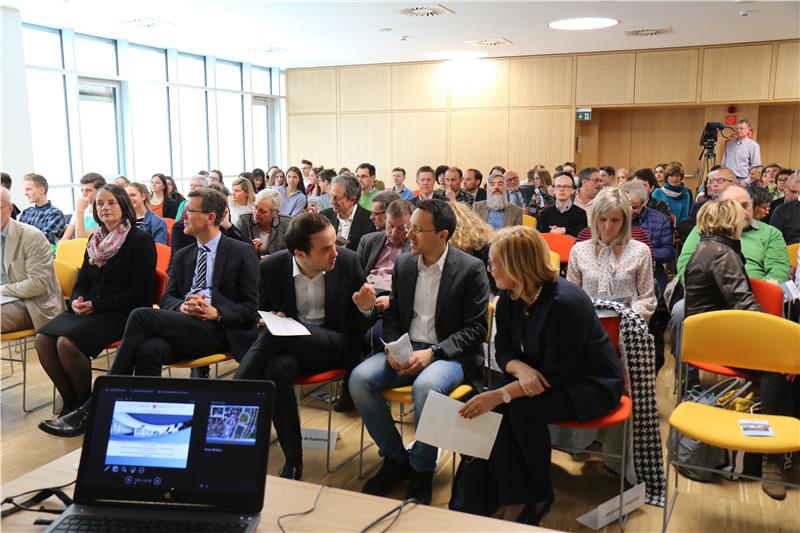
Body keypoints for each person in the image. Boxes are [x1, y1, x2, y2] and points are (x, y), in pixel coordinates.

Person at [459, 226, 623, 526]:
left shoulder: (565, 303)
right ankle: (514, 496)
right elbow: (504, 350)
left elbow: (554, 375)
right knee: (496, 409)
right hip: (538, 373)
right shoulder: (509, 296)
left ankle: (538, 494)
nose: (489, 269)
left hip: (588, 383)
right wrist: (520, 370)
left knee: (521, 410)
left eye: (495, 263)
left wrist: (501, 393)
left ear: (517, 265)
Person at [350, 199, 489, 505]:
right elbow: (394, 315)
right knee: (359, 379)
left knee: (426, 387)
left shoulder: (470, 268)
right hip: (408, 348)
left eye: (417, 229)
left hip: (449, 355)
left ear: (442, 235)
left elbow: (476, 329)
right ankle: (395, 458)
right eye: (409, 227)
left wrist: (434, 354)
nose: (408, 235)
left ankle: (422, 469)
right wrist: (392, 348)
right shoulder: (405, 264)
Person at [235, 212, 376, 480]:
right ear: (300, 253)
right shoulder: (272, 267)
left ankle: (235, 393)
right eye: (326, 249)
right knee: (276, 370)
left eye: (334, 244)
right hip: (291, 349)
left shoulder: (347, 261)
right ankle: (293, 459)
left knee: (276, 336)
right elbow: (260, 312)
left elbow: (362, 324)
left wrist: (366, 308)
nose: (335, 252)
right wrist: (268, 319)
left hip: (335, 346)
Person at [683, 199, 793, 500]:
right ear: (731, 223)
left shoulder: (710, 248)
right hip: (719, 342)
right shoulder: (721, 254)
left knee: (786, 362)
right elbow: (745, 305)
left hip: (718, 336)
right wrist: (779, 341)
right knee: (781, 367)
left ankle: (776, 447)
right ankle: (772, 458)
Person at [36, 185, 156, 433]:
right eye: (100, 204)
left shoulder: (140, 240)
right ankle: (72, 403)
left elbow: (140, 291)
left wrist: (96, 305)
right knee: (43, 339)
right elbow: (82, 281)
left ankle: (85, 411)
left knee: (66, 343)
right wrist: (76, 300)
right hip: (91, 308)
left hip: (125, 312)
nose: (105, 208)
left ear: (123, 206)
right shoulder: (95, 239)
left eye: (111, 202)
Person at [567, 187, 656, 323]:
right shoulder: (579, 250)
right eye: (603, 219)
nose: (608, 227)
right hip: (588, 324)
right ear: (595, 218)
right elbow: (571, 296)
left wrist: (626, 318)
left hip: (627, 324)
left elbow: (647, 298)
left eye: (615, 220)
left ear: (625, 220)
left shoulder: (640, 251)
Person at [1, 187, 65, 333]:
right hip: (5, 299)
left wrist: (2, 289)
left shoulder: (32, 237)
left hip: (33, 303)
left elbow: (37, 284)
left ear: (10, 209)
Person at [621, 180, 674, 289]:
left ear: (644, 203)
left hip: (651, 271)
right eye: (626, 206)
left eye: (634, 207)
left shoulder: (660, 219)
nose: (630, 211)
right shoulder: (615, 219)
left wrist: (643, 253)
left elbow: (668, 251)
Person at [319, 174, 376, 251]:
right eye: (331, 196)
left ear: (352, 200)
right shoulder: (324, 216)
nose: (332, 201)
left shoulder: (370, 221)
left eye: (337, 198)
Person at [237, 187, 292, 258]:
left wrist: (274, 259)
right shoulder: (244, 220)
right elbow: (237, 250)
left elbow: (292, 252)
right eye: (255, 207)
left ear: (275, 213)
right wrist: (250, 249)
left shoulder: (287, 223)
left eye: (262, 211)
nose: (256, 213)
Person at [536, 172, 588, 237]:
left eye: (566, 186)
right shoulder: (544, 213)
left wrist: (564, 230)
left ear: (572, 190)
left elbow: (583, 238)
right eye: (558, 186)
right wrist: (551, 234)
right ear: (554, 190)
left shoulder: (581, 213)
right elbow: (539, 238)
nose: (562, 189)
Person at [18, 173, 65, 244]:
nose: (25, 193)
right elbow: (17, 234)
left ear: (42, 190)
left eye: (28, 189)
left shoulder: (55, 213)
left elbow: (44, 239)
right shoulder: (26, 213)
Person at [62, 173, 106, 240]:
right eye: (82, 190)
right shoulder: (79, 210)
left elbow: (82, 240)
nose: (84, 194)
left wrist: (80, 211)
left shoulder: (104, 212)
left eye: (88, 190)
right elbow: (66, 236)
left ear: (100, 191)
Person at [768, 172, 799, 244]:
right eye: (793, 192)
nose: (797, 196)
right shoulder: (779, 209)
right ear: (785, 189)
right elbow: (774, 240)